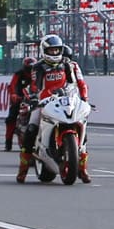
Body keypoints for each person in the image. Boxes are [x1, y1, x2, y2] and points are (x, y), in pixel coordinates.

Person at [19, 33, 89, 183]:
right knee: (31, 129)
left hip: (66, 100)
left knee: (82, 125)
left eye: (57, 50)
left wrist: (84, 99)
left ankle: (82, 169)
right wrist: (34, 98)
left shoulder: (68, 64)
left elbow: (78, 83)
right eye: (51, 50)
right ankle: (23, 170)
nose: (54, 53)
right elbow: (35, 86)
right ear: (44, 50)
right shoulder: (38, 67)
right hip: (45, 101)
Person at [3, 55, 36, 151]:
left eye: (32, 68)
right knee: (11, 119)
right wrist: (14, 95)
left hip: (35, 99)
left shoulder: (38, 74)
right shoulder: (19, 74)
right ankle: (8, 142)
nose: (30, 70)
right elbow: (12, 86)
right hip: (20, 99)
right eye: (29, 68)